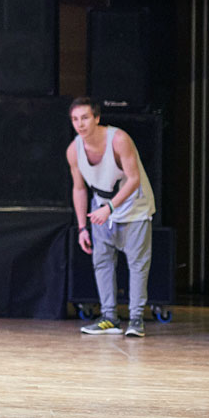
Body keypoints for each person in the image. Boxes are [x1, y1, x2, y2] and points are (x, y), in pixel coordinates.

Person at [68, 96, 157, 337]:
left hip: (133, 206)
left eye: (85, 118)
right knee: (102, 261)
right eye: (75, 119)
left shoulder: (118, 140)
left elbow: (133, 179)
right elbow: (79, 188)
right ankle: (109, 317)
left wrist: (110, 208)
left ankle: (136, 319)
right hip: (101, 207)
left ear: (97, 118)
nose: (80, 124)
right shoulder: (74, 150)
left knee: (137, 263)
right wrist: (82, 228)